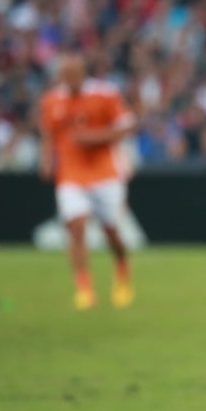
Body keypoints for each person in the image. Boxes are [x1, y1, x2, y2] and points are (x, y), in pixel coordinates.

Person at [38, 53, 138, 310]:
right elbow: (49, 133)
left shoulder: (105, 94)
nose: (69, 79)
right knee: (76, 227)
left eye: (73, 74)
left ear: (83, 73)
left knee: (111, 231)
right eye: (65, 75)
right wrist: (46, 159)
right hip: (70, 175)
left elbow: (128, 126)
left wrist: (95, 137)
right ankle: (84, 288)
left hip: (105, 174)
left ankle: (122, 268)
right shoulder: (51, 100)